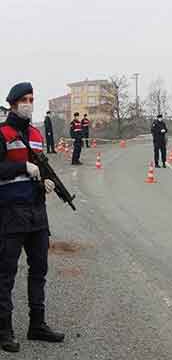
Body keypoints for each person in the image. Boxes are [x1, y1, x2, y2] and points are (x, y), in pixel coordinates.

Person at [0, 82, 65, 352]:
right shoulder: (2, 133)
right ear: (13, 104)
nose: (29, 103)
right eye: (24, 99)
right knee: (5, 274)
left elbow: (41, 167)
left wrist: (46, 182)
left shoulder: (37, 134)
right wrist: (22, 166)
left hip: (37, 213)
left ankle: (37, 324)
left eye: (32, 98)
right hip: (10, 212)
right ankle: (4, 330)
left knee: (39, 271)